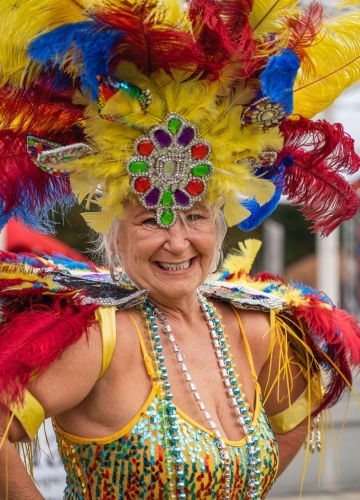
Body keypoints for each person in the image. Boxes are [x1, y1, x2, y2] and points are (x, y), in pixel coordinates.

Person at [0, 1, 360, 499]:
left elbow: (293, 421)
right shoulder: (96, 340)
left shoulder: (255, 327)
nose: (177, 241)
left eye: (195, 217)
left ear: (220, 223)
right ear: (113, 233)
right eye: (151, 220)